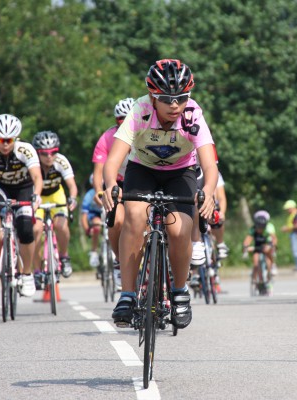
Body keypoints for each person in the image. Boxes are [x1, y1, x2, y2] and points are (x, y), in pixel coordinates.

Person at [103, 59, 218, 329]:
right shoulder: (139, 110)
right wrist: (110, 185)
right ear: (153, 97)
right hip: (142, 169)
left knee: (179, 230)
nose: (175, 105)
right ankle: (127, 295)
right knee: (134, 216)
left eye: (182, 98)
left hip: (181, 172)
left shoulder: (193, 114)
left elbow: (210, 164)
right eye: (166, 99)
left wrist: (209, 191)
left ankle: (179, 292)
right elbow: (113, 160)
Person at [0, 114, 43, 297]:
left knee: (26, 229)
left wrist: (36, 195)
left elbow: (37, 176)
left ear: (15, 138)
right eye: (1, 140)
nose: (5, 144)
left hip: (24, 188)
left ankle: (27, 274)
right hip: (1, 186)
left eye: (9, 140)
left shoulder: (25, 149)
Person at [92, 97, 135, 290]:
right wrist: (98, 191)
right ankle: (119, 262)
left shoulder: (147, 132)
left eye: (129, 119)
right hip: (117, 182)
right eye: (120, 119)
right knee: (117, 221)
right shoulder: (107, 137)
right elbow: (98, 171)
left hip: (141, 179)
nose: (124, 123)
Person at [31, 131, 78, 279]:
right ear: (37, 153)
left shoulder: (61, 161)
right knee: (36, 229)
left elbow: (72, 185)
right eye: (44, 153)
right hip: (37, 197)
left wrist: (72, 198)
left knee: (61, 226)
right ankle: (37, 270)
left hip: (56, 195)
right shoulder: (32, 163)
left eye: (53, 152)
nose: (49, 156)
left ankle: (64, 257)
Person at [242, 210, 278, 284]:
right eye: (258, 228)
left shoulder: (269, 227)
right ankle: (259, 279)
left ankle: (271, 267)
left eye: (262, 228)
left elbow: (274, 238)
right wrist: (245, 248)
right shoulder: (253, 229)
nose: (260, 230)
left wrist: (273, 246)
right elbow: (248, 239)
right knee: (256, 263)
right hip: (258, 245)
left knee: (267, 252)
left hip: (267, 244)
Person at [80, 174, 103, 269]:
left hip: (107, 212)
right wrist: (87, 230)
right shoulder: (89, 195)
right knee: (97, 226)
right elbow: (84, 216)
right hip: (95, 214)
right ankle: (94, 251)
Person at [281, 199, 297, 271]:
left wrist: (287, 229)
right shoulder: (293, 214)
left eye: (288, 209)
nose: (287, 211)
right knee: (296, 250)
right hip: (293, 233)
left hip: (296, 234)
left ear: (292, 207)